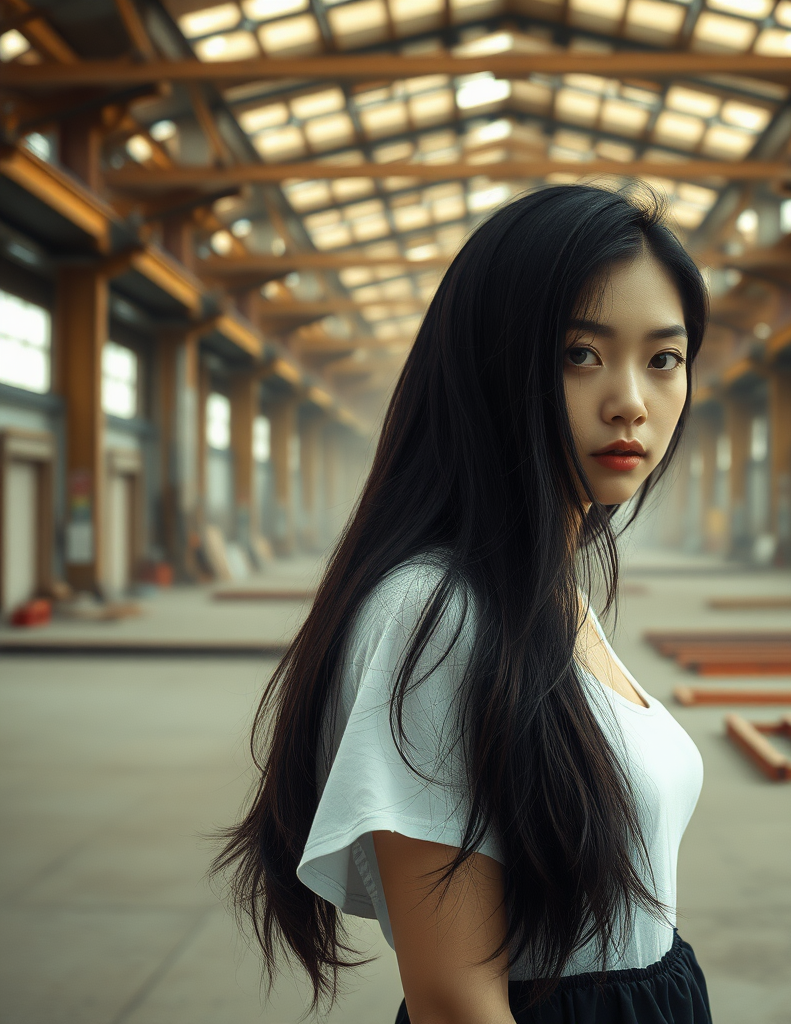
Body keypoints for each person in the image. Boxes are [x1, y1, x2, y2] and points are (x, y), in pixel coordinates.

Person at [213, 183, 712, 1024]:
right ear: (491, 365)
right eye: (579, 354)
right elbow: (454, 1001)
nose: (631, 397)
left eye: (663, 359)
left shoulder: (554, 597)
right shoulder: (436, 614)